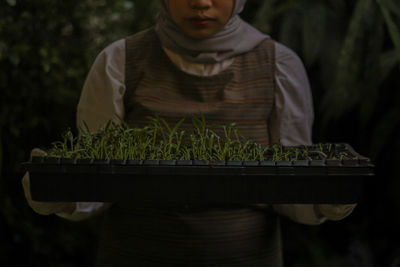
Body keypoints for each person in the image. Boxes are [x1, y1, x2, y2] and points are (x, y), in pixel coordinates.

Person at [23, 0, 356, 266]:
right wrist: (61, 190)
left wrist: (325, 199)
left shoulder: (278, 65)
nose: (201, 3)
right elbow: (96, 177)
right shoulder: (119, 60)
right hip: (136, 254)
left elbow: (290, 185)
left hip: (245, 256)